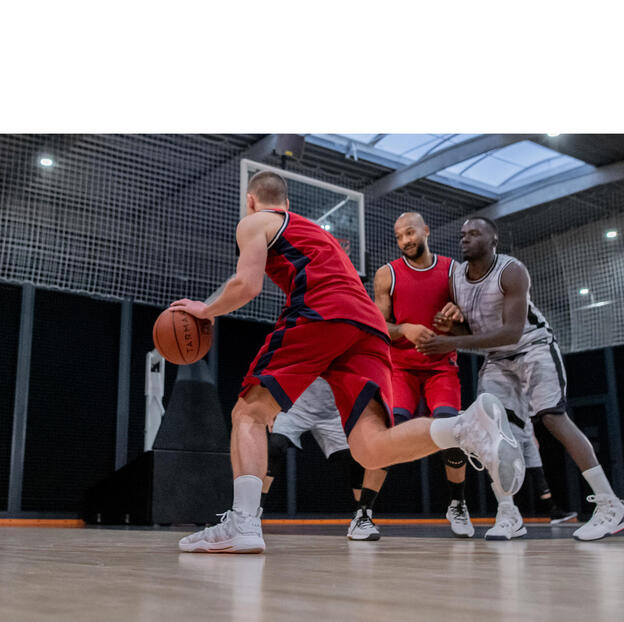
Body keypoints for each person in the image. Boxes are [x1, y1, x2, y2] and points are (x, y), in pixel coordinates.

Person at [170, 172, 524, 554]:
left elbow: (247, 285)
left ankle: (242, 522)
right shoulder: (315, 233)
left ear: (252, 201)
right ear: (287, 203)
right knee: (370, 448)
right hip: (369, 327)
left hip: (322, 312)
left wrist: (206, 310)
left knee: (249, 412)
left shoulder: (255, 221)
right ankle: (466, 428)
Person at [419, 216, 624, 542]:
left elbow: (511, 332)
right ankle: (508, 513)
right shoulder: (456, 280)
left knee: (552, 417)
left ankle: (610, 504)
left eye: (474, 233)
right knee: (490, 428)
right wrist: (454, 330)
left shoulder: (511, 271)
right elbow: (476, 334)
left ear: (493, 241)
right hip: (497, 359)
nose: (465, 239)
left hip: (533, 346)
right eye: (463, 234)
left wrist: (450, 342)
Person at [357, 212, 473, 538]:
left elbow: (472, 329)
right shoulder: (387, 275)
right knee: (389, 434)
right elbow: (379, 328)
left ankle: (457, 504)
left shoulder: (454, 272)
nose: (406, 240)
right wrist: (404, 327)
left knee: (453, 431)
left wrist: (459, 317)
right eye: (399, 237)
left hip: (441, 368)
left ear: (426, 230)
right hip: (402, 369)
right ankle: (363, 513)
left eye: (410, 233)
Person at [263, 377, 379, 540]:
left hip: (333, 410)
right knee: (274, 447)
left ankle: (363, 516)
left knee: (356, 459)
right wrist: (270, 404)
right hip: (295, 407)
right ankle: (253, 513)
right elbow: (276, 369)